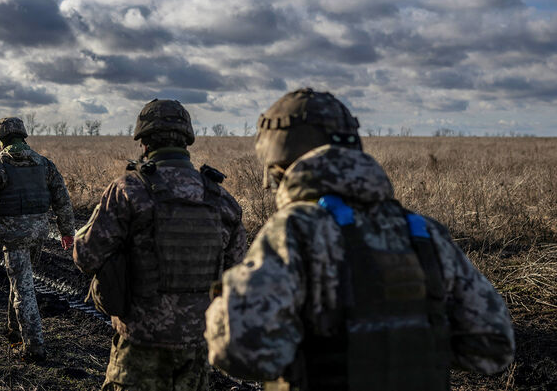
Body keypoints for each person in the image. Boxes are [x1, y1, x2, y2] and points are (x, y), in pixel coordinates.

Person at [204, 88, 515, 390]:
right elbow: (493, 345)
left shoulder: (296, 230)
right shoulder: (423, 231)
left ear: (277, 165)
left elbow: (237, 347)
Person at [74, 99, 247, 391]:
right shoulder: (220, 199)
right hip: (197, 347)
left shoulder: (128, 190)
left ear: (143, 143)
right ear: (186, 140)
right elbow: (238, 272)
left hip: (140, 345)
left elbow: (86, 256)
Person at [0, 117, 75, 362]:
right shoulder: (45, 164)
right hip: (39, 234)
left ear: (1, 141)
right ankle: (13, 331)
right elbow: (62, 199)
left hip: (12, 236)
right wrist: (66, 231)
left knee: (24, 289)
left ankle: (34, 347)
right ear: (23, 137)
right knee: (20, 280)